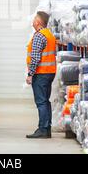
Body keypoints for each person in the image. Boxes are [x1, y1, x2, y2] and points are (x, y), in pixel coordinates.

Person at [25, 11, 56, 139]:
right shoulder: (49, 34)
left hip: (41, 73)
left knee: (41, 102)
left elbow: (35, 57)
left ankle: (42, 129)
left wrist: (30, 74)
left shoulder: (39, 36)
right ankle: (47, 128)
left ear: (38, 22)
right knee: (45, 101)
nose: (32, 21)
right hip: (50, 72)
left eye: (34, 19)